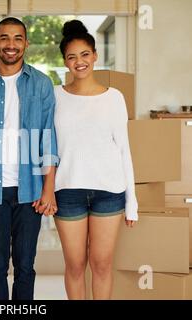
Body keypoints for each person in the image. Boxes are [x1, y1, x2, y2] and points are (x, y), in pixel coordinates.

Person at [0, 17, 59, 300]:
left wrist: (48, 187)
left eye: (18, 38)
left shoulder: (41, 84)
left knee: (26, 265)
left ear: (26, 43)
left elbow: (48, 137)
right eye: (4, 38)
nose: (11, 45)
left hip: (30, 190)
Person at [53, 20, 138, 300]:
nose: (79, 62)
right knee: (75, 266)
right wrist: (46, 189)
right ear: (65, 62)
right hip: (67, 192)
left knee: (101, 265)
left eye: (85, 54)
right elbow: (46, 148)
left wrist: (131, 202)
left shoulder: (114, 98)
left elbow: (124, 149)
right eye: (72, 56)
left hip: (109, 193)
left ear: (95, 55)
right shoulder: (54, 97)